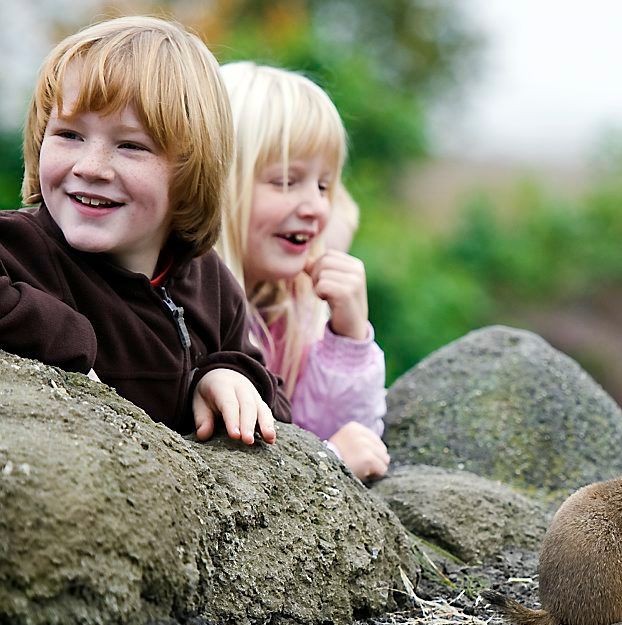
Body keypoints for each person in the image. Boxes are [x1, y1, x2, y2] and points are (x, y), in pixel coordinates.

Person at [0, 16, 290, 444]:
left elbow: (281, 413)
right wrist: (66, 336)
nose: (90, 167)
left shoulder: (211, 284)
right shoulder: (19, 247)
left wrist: (226, 375)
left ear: (191, 171)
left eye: (130, 145)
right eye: (69, 135)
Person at [215, 61, 389, 480]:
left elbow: (338, 431)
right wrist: (326, 460)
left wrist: (347, 337)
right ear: (219, 183)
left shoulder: (292, 307)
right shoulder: (193, 311)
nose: (316, 208)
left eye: (324, 185)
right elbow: (230, 471)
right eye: (287, 182)